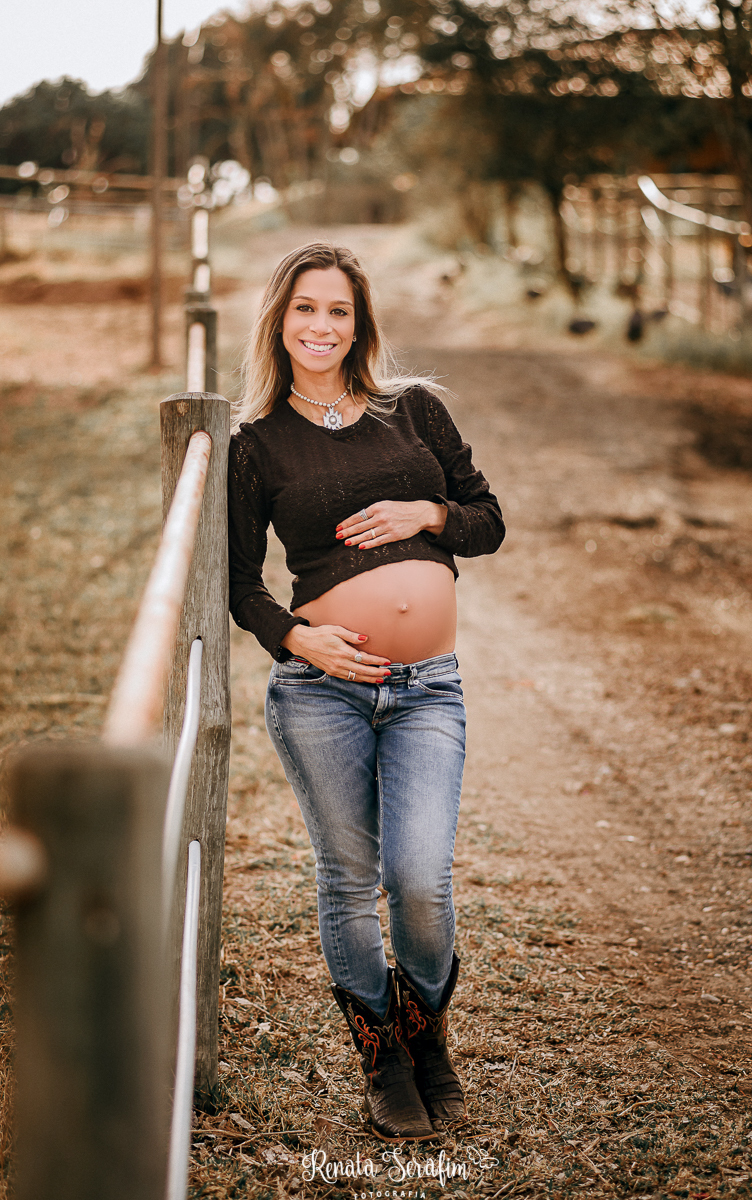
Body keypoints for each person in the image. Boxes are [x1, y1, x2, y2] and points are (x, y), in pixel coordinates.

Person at [228, 243, 505, 1142]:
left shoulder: (412, 410)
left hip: (427, 690)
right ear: (279, 319)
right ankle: (382, 1058)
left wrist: (428, 515)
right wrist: (298, 636)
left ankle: (428, 1040)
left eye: (337, 311)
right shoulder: (253, 445)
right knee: (349, 880)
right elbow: (240, 585)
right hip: (320, 694)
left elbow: (487, 521)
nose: (320, 326)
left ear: (361, 322)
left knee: (419, 879)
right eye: (304, 309)